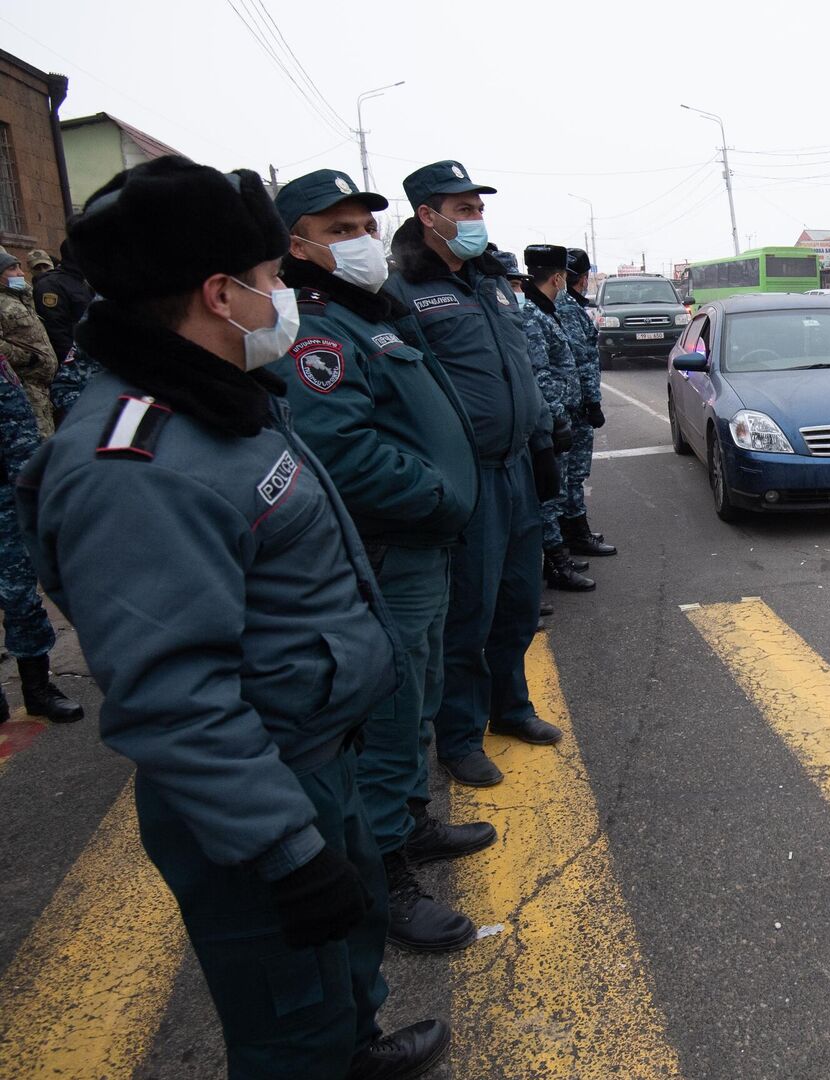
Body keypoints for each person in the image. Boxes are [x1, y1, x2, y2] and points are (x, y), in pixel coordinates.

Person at [17, 155, 447, 1078]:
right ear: (218, 294)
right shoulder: (135, 468)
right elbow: (173, 698)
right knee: (288, 1020)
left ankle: (358, 1048)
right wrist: (286, 851)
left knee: (341, 969)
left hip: (316, 758)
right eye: (268, 281)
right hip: (262, 793)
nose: (282, 297)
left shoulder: (216, 405)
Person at [268, 168, 493, 955]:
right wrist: (438, 495)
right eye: (337, 231)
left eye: (364, 225)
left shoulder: (374, 314)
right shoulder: (319, 329)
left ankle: (408, 821)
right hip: (391, 546)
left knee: (421, 691)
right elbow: (341, 450)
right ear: (296, 246)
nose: (361, 240)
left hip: (422, 548)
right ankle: (384, 875)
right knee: (389, 713)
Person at [386, 160, 564, 788]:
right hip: (469, 477)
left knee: (518, 603)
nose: (476, 218)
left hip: (518, 468)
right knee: (470, 612)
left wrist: (542, 439)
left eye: (478, 207)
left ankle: (509, 708)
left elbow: (516, 364)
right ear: (426, 217)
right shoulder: (401, 292)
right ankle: (458, 737)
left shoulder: (492, 281)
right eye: (462, 210)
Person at [0, 344, 82, 722]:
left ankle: (37, 688)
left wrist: (33, 500)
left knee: (19, 598)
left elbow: (18, 438)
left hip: (6, 504)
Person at [520, 245, 594, 594]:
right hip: (552, 421)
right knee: (549, 495)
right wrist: (557, 420)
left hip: (562, 415)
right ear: (558, 277)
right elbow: (540, 374)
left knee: (560, 488)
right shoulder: (534, 315)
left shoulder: (544, 311)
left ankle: (560, 553)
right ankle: (556, 565)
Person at [559, 249, 615, 557]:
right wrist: (593, 402)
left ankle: (571, 532)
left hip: (571, 403)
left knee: (569, 474)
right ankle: (574, 535)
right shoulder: (567, 308)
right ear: (582, 278)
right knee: (574, 473)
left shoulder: (566, 306)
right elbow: (581, 361)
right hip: (575, 406)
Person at [0, 253, 58, 435]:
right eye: (12, 269)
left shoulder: (21, 297)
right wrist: (29, 358)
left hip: (42, 388)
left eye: (19, 267)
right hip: (24, 388)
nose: (20, 273)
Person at [29, 241, 92, 365]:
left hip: (90, 354)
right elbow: (57, 331)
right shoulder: (50, 285)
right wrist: (72, 362)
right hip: (75, 364)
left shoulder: (80, 279)